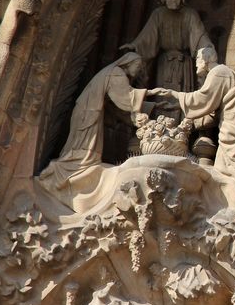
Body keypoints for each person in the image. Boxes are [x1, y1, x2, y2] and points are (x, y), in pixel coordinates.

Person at [37, 53, 160, 199]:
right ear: (128, 63)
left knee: (85, 150)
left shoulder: (112, 72)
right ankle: (62, 177)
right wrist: (152, 92)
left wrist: (147, 109)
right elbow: (127, 98)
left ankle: (67, 176)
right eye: (137, 66)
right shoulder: (116, 73)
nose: (138, 70)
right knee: (83, 151)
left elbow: (119, 107)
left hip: (89, 111)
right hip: (89, 114)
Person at [149, 46, 235, 187]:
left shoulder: (218, 73)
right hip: (232, 120)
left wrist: (174, 94)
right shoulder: (222, 72)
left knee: (230, 167)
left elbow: (203, 98)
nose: (196, 62)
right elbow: (211, 106)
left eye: (198, 58)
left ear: (206, 59)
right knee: (224, 166)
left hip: (233, 124)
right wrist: (179, 107)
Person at [120, 0, 212, 92]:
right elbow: (147, 38)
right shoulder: (158, 14)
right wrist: (133, 47)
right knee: (163, 97)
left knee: (183, 99)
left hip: (184, 65)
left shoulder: (190, 15)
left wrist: (207, 49)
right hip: (165, 65)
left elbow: (200, 38)